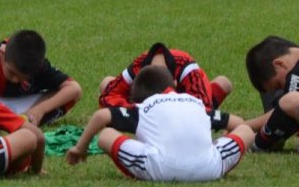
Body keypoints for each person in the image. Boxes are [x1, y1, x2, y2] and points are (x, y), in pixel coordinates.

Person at [66, 66, 255, 183]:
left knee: (106, 135)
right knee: (246, 130)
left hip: (160, 168)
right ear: (172, 85)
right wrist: (217, 142)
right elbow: (238, 124)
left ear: (138, 97)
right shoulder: (196, 103)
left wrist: (79, 148)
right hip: (209, 169)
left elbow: (101, 116)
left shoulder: (144, 107)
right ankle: (209, 159)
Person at [98, 42, 240, 132]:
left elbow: (203, 105)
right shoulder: (138, 65)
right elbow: (108, 95)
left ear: (173, 82)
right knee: (106, 82)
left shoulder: (187, 67)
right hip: (144, 105)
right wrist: (135, 109)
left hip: (186, 103)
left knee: (223, 83)